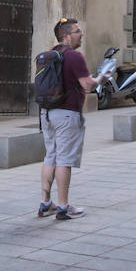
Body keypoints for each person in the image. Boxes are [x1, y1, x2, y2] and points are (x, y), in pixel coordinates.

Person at [38, 17, 98, 220]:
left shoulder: (50, 56)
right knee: (64, 159)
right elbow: (87, 85)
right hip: (67, 113)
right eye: (77, 31)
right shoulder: (74, 56)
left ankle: (46, 203)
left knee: (50, 156)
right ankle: (63, 206)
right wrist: (101, 79)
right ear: (66, 37)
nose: (81, 34)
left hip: (46, 113)